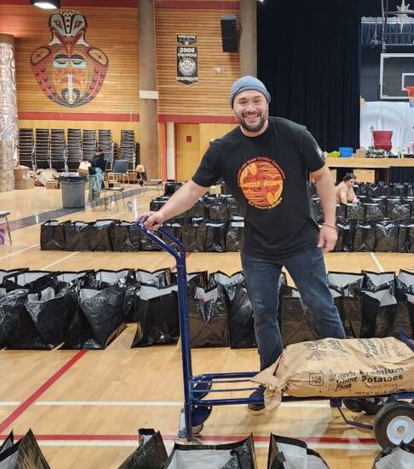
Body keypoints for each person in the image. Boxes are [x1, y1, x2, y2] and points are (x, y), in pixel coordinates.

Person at [139, 76, 346, 411]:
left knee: (322, 307)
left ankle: (343, 379)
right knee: (263, 315)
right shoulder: (223, 149)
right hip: (258, 250)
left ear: (266, 102)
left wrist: (330, 223)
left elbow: (323, 176)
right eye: (243, 102)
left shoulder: (294, 134)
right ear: (234, 108)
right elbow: (192, 190)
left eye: (256, 100)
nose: (250, 108)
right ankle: (270, 381)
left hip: (302, 243)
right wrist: (161, 214)